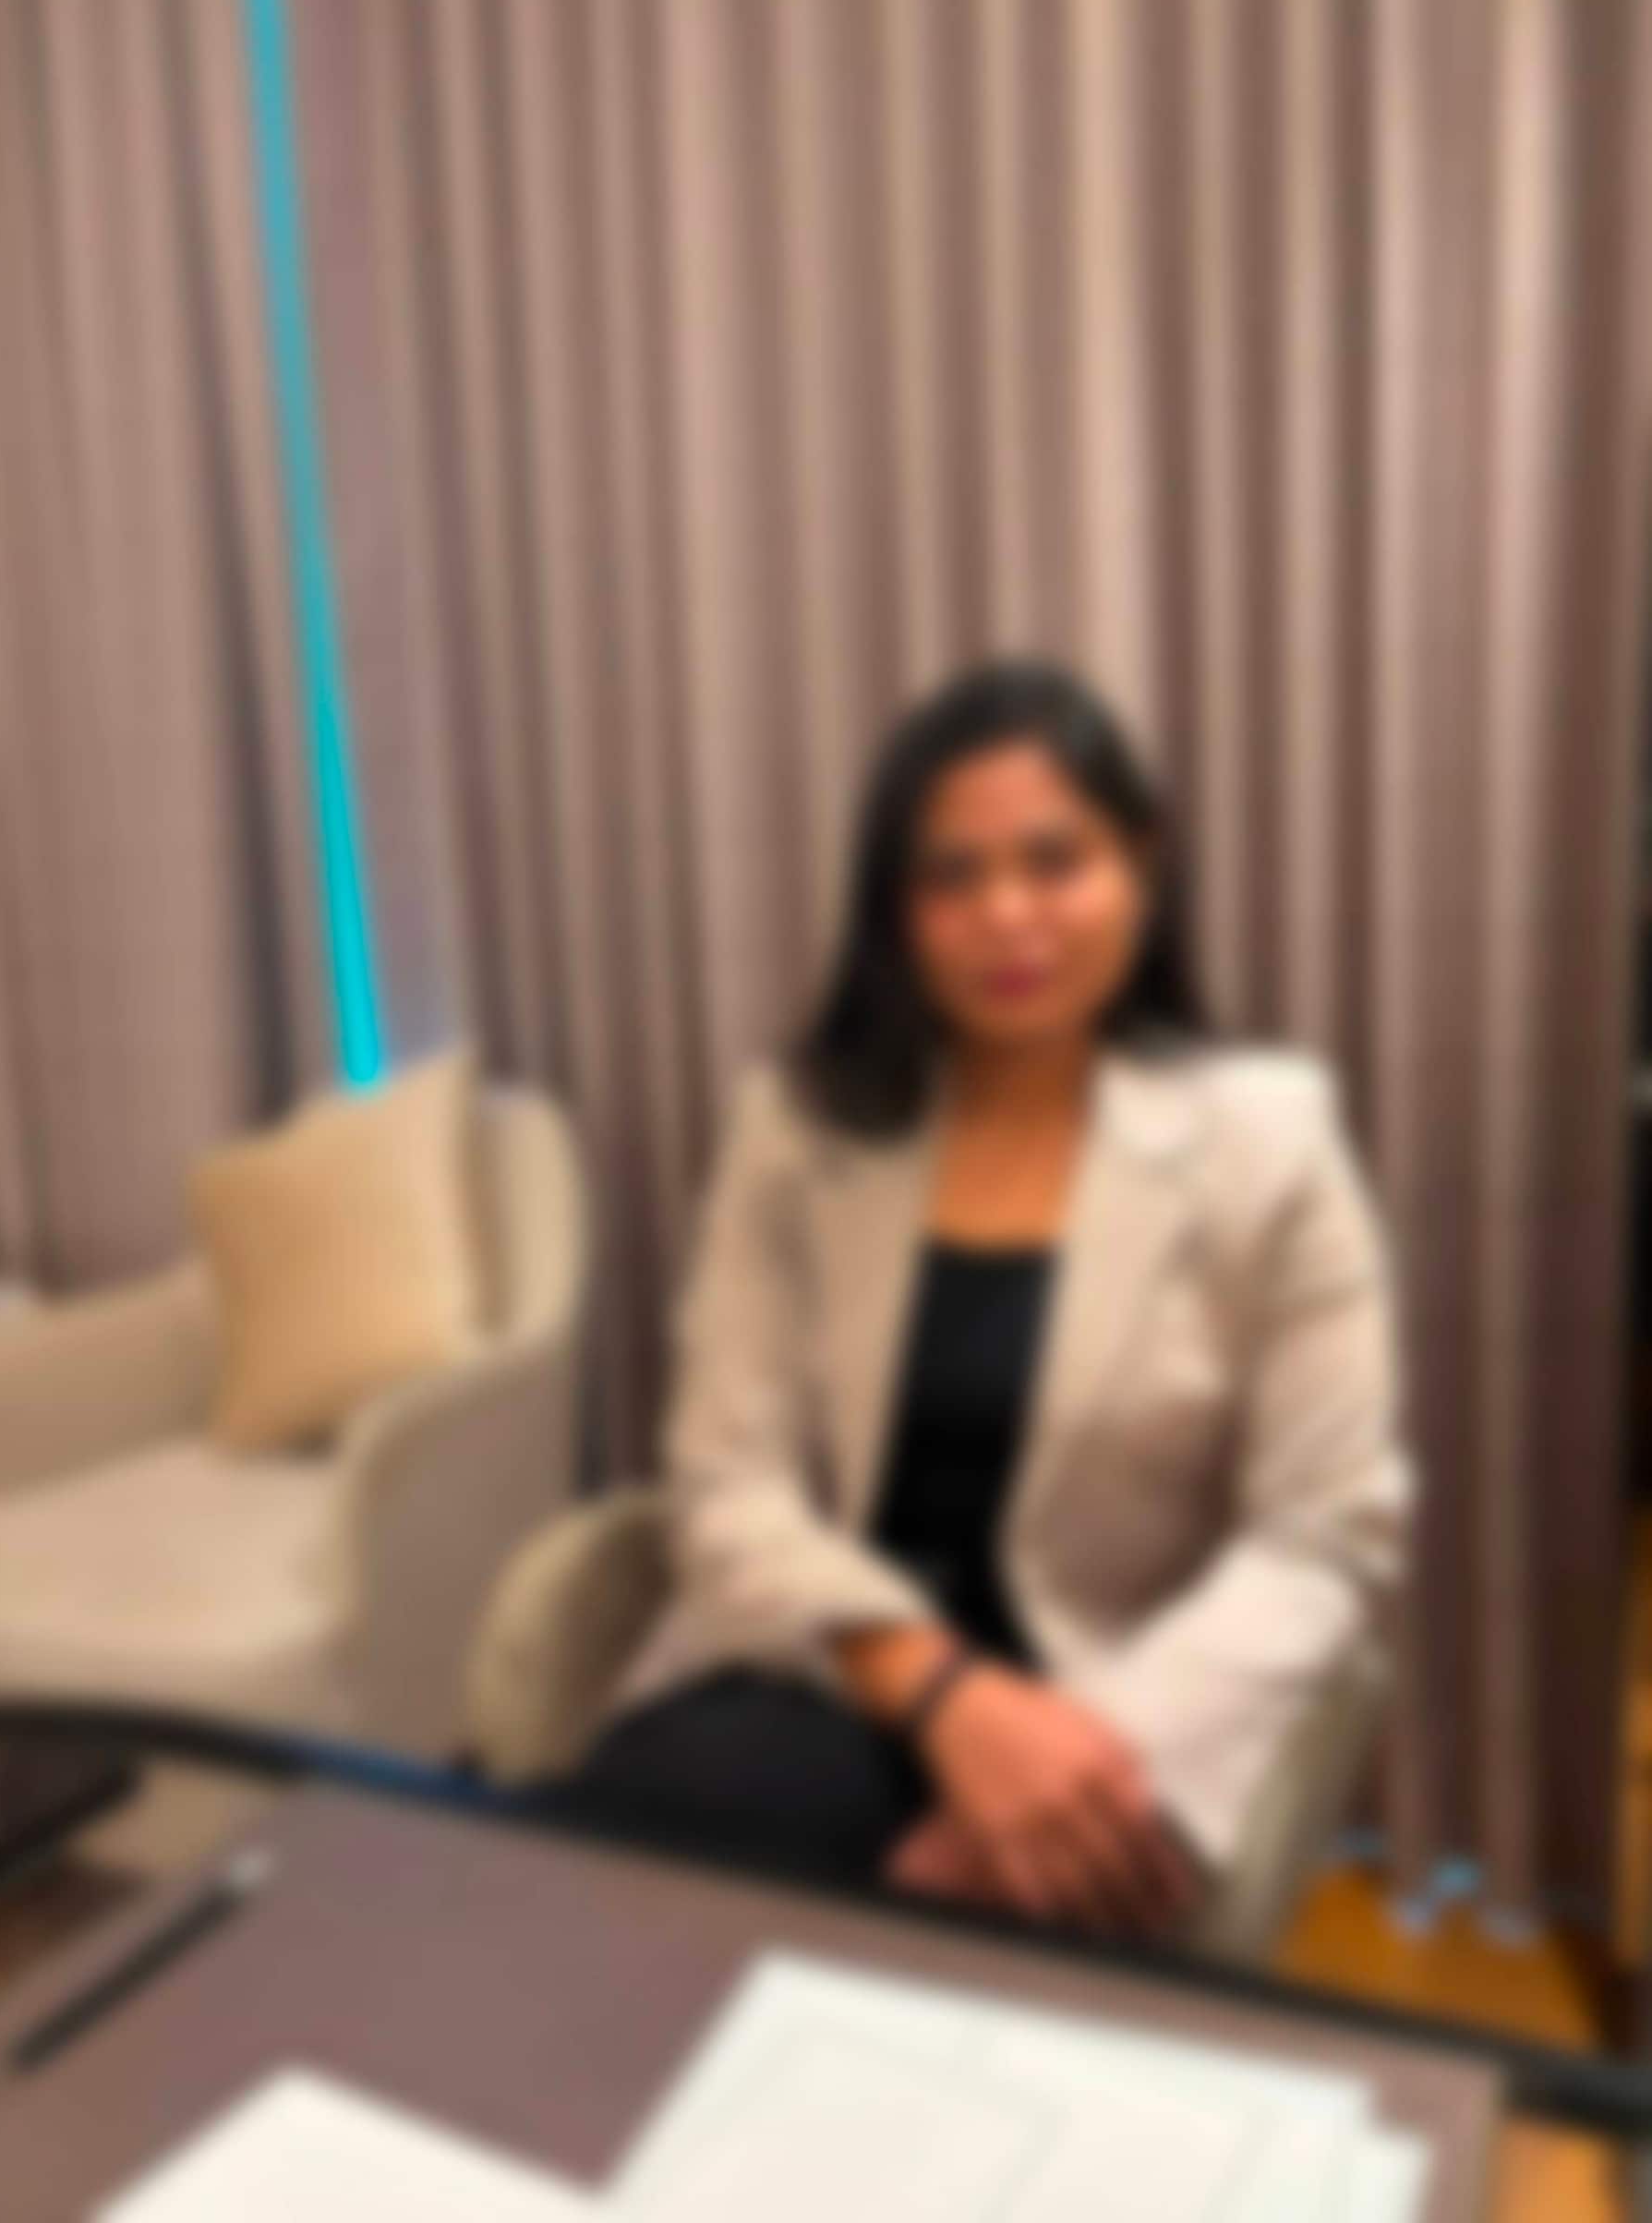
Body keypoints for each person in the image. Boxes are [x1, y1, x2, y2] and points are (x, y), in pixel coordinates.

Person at [522, 659, 1412, 1940]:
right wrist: (937, 1691)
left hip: (1095, 1704)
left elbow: (1324, 1536)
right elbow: (726, 1480)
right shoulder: (801, 1127)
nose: (1007, 915)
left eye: (1055, 861)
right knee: (601, 1923)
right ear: (896, 910)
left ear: (1142, 865)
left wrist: (1086, 1764)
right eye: (952, 876)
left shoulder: (1271, 1141)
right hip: (824, 1668)